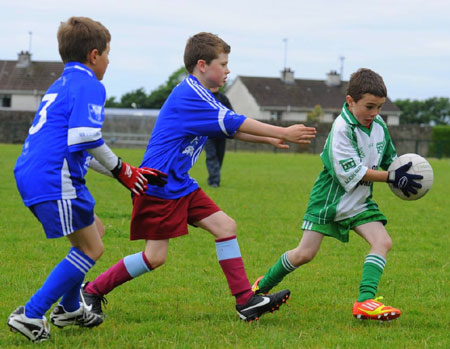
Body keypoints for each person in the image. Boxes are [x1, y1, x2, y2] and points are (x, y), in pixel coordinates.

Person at [80, 32, 317, 323]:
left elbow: (231, 128)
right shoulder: (190, 95)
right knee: (155, 256)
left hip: (179, 183)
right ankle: (91, 290)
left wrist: (268, 141)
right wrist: (281, 132)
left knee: (225, 226)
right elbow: (235, 122)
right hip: (158, 186)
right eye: (224, 63)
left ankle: (246, 301)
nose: (228, 70)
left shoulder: (204, 95)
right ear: (202, 65)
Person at [7, 17, 167, 343]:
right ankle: (31, 313)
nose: (109, 61)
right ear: (94, 55)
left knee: (95, 230)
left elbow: (79, 146)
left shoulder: (60, 85)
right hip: (55, 178)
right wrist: (123, 170)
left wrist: (122, 171)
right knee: (92, 247)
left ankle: (68, 309)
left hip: (36, 173)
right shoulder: (91, 83)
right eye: (108, 53)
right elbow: (86, 136)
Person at [251, 68, 423, 321]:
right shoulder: (342, 129)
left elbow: (390, 157)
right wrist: (392, 176)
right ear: (350, 102)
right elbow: (355, 173)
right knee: (304, 254)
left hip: (360, 201)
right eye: (369, 107)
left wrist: (404, 169)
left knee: (383, 242)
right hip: (329, 201)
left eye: (379, 107)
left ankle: (365, 301)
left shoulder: (378, 125)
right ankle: (259, 288)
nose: (374, 113)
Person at [204, 87, 233, 187]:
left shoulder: (223, 98)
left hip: (221, 134)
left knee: (219, 157)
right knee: (211, 156)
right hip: (208, 135)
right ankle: (214, 181)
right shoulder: (205, 97)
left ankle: (213, 178)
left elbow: (231, 113)